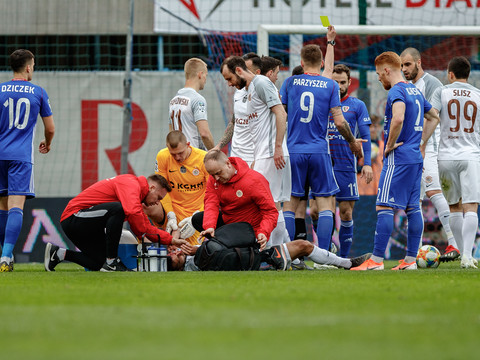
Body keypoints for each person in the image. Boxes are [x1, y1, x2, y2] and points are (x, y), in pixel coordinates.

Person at [173, 150, 371, 271]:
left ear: (228, 163)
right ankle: (271, 259)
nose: (215, 179)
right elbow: (210, 203)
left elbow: (270, 212)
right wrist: (208, 227)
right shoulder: (214, 181)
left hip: (250, 231)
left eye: (218, 173)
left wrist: (262, 232)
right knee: (201, 220)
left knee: (302, 245)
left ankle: (345, 263)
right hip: (232, 231)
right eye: (212, 175)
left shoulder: (254, 181)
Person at [351, 51, 440, 271]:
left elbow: (398, 117)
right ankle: (410, 261)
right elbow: (434, 117)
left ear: (387, 70)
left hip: (398, 158)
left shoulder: (397, 91)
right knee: (413, 208)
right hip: (415, 157)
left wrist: (389, 144)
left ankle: (377, 260)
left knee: (384, 205)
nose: (379, 78)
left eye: (379, 74)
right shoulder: (414, 90)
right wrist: (420, 142)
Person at [280, 43, 364, 254]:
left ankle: (290, 255)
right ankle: (324, 257)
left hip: (294, 150)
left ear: (301, 63)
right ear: (321, 63)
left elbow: (280, 117)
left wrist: (277, 146)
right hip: (319, 151)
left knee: (290, 204)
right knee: (326, 204)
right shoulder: (330, 86)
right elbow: (339, 122)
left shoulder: (289, 83)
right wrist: (353, 141)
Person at [44, 174, 187, 272]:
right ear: (152, 188)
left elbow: (145, 229)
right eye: (159, 198)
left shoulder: (135, 199)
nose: (157, 202)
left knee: (98, 264)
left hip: (84, 224)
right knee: (118, 209)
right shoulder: (131, 183)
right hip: (74, 217)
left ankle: (58, 254)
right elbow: (134, 216)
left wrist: (172, 240)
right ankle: (112, 262)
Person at [221, 55, 290, 247]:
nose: (229, 84)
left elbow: (281, 113)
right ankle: (287, 252)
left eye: (229, 79)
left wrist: (277, 147)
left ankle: (275, 253)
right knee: (268, 204)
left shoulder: (261, 83)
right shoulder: (248, 89)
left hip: (272, 153)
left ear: (239, 71)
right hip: (262, 154)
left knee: (271, 203)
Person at [400, 47, 459, 262]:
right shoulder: (404, 86)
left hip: (430, 147)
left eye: (407, 64)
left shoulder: (432, 84)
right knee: (414, 201)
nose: (404, 69)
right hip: (412, 149)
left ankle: (454, 243)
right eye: (401, 65)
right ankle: (413, 253)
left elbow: (437, 116)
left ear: (418, 62)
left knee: (435, 191)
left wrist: (423, 143)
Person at [422, 56, 480, 269]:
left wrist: (422, 143)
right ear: (468, 74)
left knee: (454, 207)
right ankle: (466, 255)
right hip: (471, 155)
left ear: (450, 74)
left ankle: (462, 251)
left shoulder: (442, 92)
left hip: (445, 156)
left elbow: (433, 117)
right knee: (471, 207)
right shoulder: (478, 94)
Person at [0, 49, 55, 272]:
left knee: (2, 206)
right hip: (21, 157)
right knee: (16, 206)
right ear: (28, 67)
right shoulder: (38, 92)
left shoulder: (0, 90)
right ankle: (5, 257)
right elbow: (50, 128)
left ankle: (6, 254)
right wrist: (47, 142)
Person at [328, 64, 373, 258]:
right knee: (317, 212)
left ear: (349, 83)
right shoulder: (322, 103)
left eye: (342, 82)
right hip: (322, 165)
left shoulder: (357, 105)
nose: (338, 86)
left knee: (346, 212)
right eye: (335, 82)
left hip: (346, 165)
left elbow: (366, 137)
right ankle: (326, 251)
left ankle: (343, 259)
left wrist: (368, 163)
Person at [155, 130, 210, 245]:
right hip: (172, 208)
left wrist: (197, 216)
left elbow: (212, 192)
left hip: (197, 210)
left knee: (191, 250)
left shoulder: (203, 158)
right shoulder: (162, 156)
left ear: (188, 145)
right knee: (147, 203)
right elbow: (161, 189)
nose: (177, 157)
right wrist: (170, 214)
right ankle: (148, 241)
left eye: (180, 152)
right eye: (173, 154)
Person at [213, 52, 262, 165]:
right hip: (235, 157)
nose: (229, 84)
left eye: (230, 79)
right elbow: (234, 122)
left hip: (254, 158)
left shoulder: (261, 89)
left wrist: (258, 159)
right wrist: (219, 145)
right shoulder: (238, 92)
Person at [169, 58, 214, 150]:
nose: (205, 79)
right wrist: (214, 152)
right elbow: (204, 134)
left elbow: (171, 132)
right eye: (206, 75)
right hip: (193, 157)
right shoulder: (197, 100)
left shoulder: (173, 100)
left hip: (178, 156)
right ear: (200, 74)